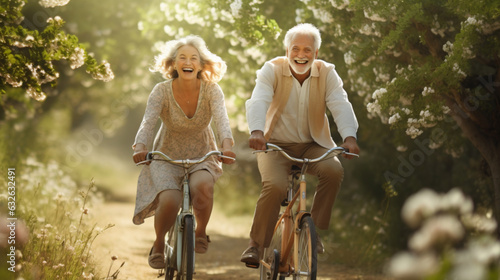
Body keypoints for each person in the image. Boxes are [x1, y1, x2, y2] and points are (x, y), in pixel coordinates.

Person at [240, 23, 360, 267]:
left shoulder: (327, 73)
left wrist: (349, 137)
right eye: (296, 49)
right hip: (273, 145)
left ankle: (311, 231)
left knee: (334, 170)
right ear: (287, 50)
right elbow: (259, 100)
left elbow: (340, 104)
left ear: (316, 54)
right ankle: (255, 244)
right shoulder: (271, 69)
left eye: (308, 50)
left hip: (312, 144)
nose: (301, 55)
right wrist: (257, 131)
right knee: (274, 185)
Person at [132, 35, 236, 269]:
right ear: (173, 64)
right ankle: (158, 243)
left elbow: (222, 120)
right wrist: (140, 146)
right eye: (182, 58)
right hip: (166, 154)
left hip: (203, 153)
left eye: (193, 58)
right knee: (169, 199)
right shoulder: (161, 91)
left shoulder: (212, 90)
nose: (188, 62)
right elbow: (148, 122)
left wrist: (227, 146)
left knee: (203, 187)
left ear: (200, 65)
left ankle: (200, 231)